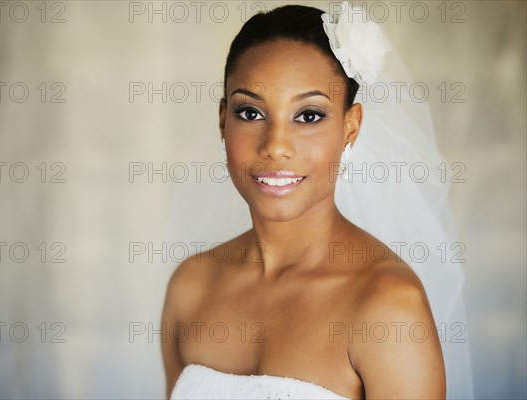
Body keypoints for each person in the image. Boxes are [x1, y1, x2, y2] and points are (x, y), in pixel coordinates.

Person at [162, 3, 470, 399]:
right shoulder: (190, 287)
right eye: (250, 112)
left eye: (308, 116)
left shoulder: (388, 308)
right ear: (223, 120)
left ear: (350, 127)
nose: (276, 147)